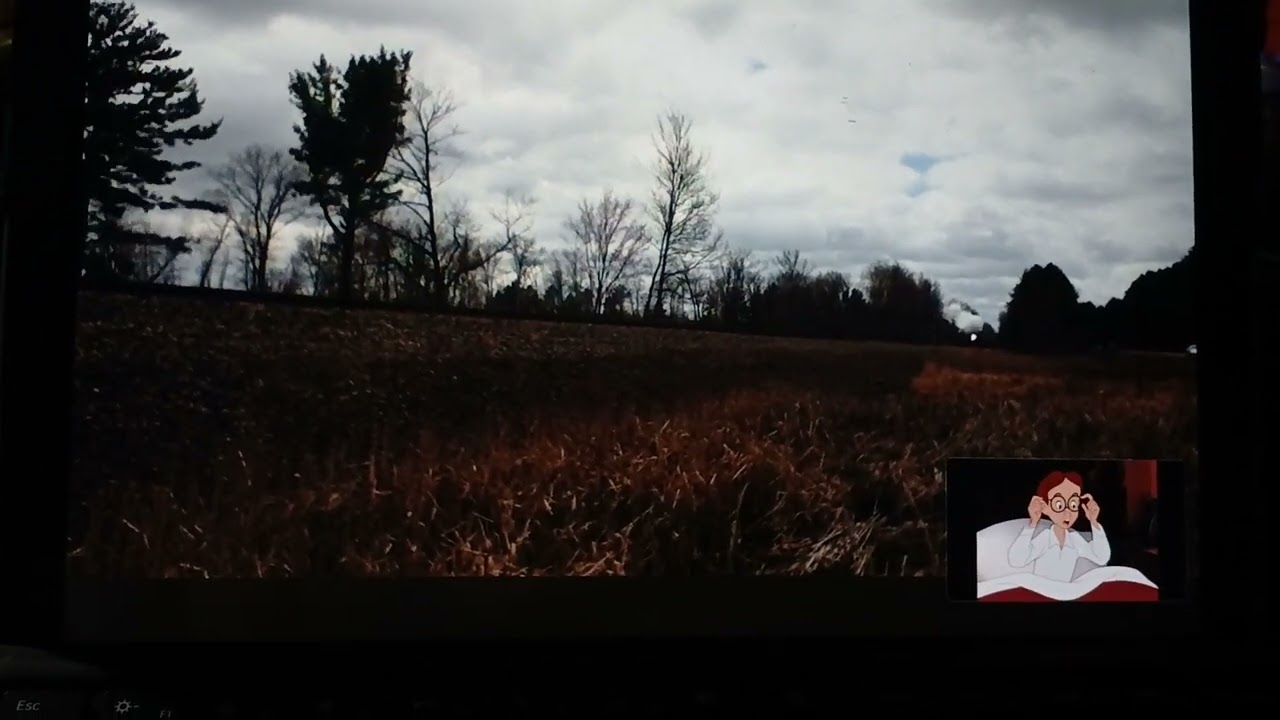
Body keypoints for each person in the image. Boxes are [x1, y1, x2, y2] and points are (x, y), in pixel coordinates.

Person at [1006, 470, 1110, 582]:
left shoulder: (1074, 540)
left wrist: (1093, 522)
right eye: (1059, 505)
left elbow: (1101, 557)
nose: (1067, 513)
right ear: (1045, 507)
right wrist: (1033, 523)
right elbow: (1016, 560)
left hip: (1065, 595)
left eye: (1073, 504)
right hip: (1042, 594)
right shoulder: (1045, 538)